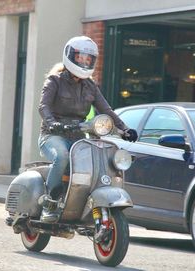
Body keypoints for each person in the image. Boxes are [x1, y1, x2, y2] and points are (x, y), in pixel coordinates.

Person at [38, 36, 137, 222]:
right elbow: (43, 106)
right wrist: (52, 123)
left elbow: (106, 110)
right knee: (62, 156)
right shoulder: (54, 80)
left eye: (88, 59)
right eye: (80, 57)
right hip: (52, 135)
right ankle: (50, 203)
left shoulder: (90, 86)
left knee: (95, 162)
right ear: (70, 56)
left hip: (77, 136)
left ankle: (81, 203)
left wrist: (125, 129)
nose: (84, 61)